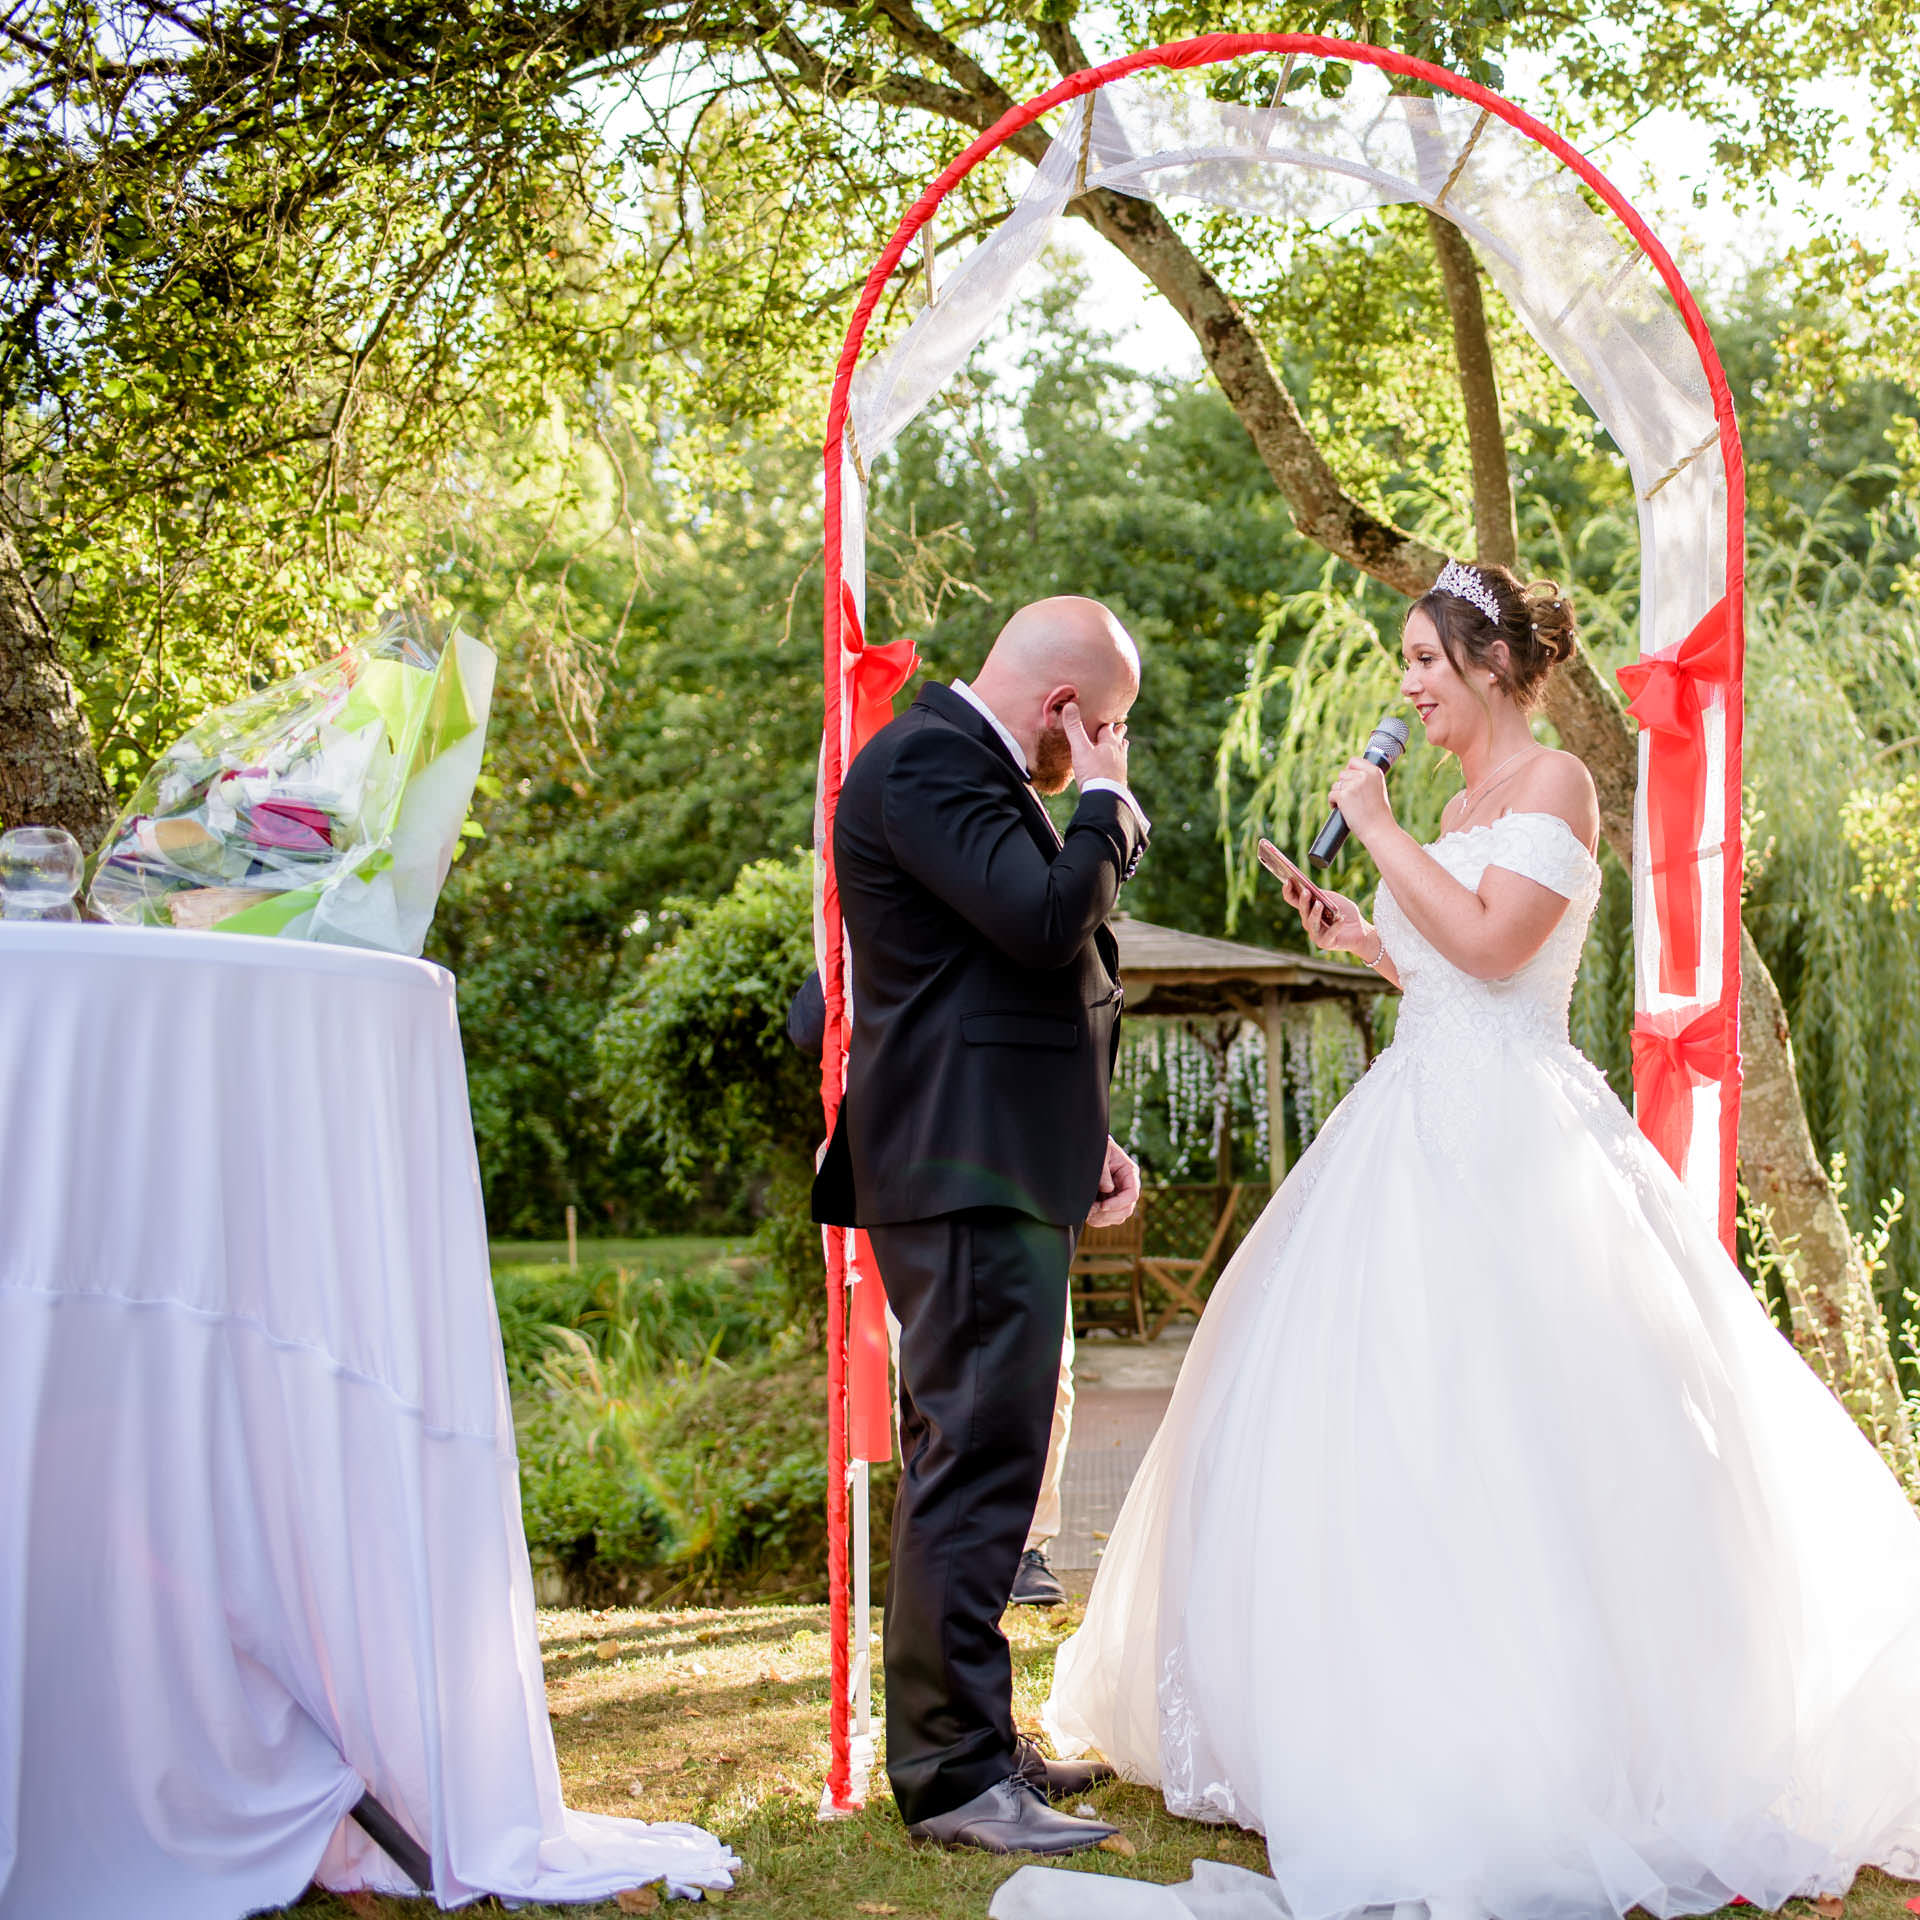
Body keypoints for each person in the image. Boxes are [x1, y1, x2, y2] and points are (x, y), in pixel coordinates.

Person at [998, 560, 1920, 1920]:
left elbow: (1498, 952)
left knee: (1521, 1426)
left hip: (1518, 1148)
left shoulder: (1554, 787)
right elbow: (1444, 957)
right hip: (1413, 1119)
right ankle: (1358, 1708)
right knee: (1380, 1421)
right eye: (1408, 663)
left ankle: (1549, 1741)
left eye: (1426, 661)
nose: (1409, 686)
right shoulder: (1463, 807)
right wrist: (1368, 936)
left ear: (1494, 668)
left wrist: (1374, 833)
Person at [812, 595, 1150, 1856]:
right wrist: (1106, 813)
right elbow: (1047, 918)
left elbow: (1004, 979)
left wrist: (1085, 1137)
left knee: (982, 1465)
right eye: (1102, 728)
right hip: (960, 1179)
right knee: (977, 1467)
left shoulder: (963, 770)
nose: (1103, 752)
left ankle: (972, 1737)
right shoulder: (926, 762)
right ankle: (954, 1781)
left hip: (998, 1162)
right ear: (1063, 707)